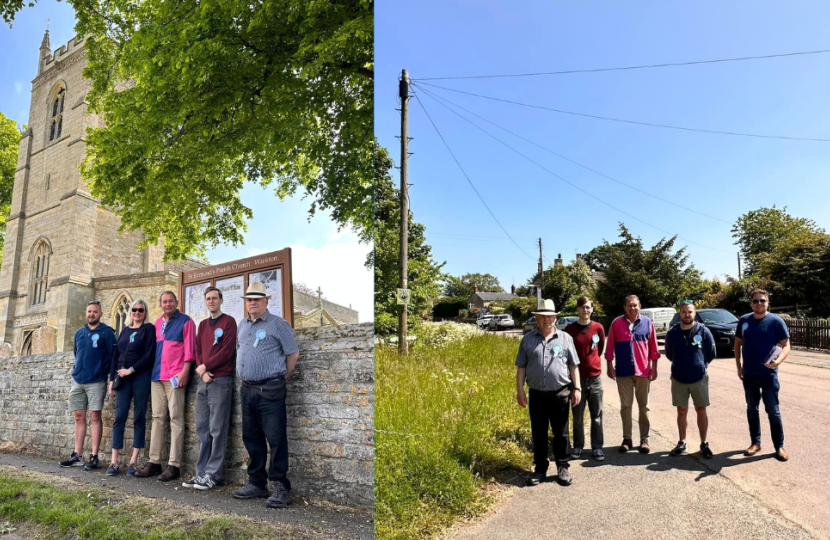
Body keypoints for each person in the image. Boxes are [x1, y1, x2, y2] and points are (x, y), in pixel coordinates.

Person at [232, 282, 299, 508]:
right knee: (251, 437)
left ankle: (280, 485)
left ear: (266, 302)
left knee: (276, 438)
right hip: (247, 389)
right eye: (249, 300)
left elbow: (293, 354)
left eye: (257, 299)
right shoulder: (243, 325)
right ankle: (257, 483)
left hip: (270, 389)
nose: (252, 303)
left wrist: (280, 377)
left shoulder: (278, 324)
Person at [515, 299, 581, 487]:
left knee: (561, 433)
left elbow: (573, 365)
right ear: (536, 318)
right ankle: (540, 468)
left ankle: (562, 466)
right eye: (543, 316)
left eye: (550, 316)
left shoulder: (565, 339)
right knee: (539, 434)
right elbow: (521, 367)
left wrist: (577, 389)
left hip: (560, 393)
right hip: (536, 395)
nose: (547, 319)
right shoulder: (527, 339)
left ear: (555, 317)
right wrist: (520, 390)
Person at [135, 291, 196, 481]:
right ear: (160, 304)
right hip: (156, 376)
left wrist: (185, 371)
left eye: (170, 301)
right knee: (157, 418)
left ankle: (174, 465)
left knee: (176, 418)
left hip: (175, 377)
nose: (167, 304)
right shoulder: (157, 323)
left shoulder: (186, 321)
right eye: (164, 301)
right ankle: (154, 462)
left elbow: (190, 350)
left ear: (176, 303)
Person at [182, 286, 238, 490]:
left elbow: (227, 351)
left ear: (221, 300)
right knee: (202, 429)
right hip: (203, 381)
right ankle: (201, 474)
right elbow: (198, 349)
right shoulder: (203, 325)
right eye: (208, 298)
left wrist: (207, 366)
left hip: (220, 381)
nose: (211, 301)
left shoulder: (229, 322)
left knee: (217, 429)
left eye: (215, 298)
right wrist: (201, 370)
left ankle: (213, 475)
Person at [59, 301, 117, 471]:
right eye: (89, 311)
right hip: (78, 380)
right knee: (78, 416)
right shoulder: (79, 333)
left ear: (100, 314)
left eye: (95, 312)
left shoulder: (107, 333)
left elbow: (113, 357)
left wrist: (109, 377)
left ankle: (94, 456)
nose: (91, 314)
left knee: (95, 417)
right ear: (86, 313)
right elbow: (77, 353)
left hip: (96, 380)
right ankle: (77, 455)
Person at [735, 289, 791, 461]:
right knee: (752, 409)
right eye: (756, 301)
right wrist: (738, 366)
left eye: (762, 300)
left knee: (773, 411)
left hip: (769, 375)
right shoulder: (744, 321)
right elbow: (737, 344)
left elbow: (786, 345)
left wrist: (778, 361)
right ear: (751, 303)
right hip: (749, 374)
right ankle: (755, 443)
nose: (759, 303)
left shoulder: (776, 321)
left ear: (768, 302)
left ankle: (779, 446)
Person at [106, 299, 157, 476]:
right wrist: (112, 379)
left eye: (140, 310)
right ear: (130, 312)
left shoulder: (148, 329)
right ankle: (114, 462)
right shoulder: (125, 331)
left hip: (140, 377)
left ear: (145, 312)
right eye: (134, 309)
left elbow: (150, 354)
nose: (137, 312)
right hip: (122, 379)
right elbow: (116, 355)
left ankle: (133, 462)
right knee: (119, 417)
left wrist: (132, 370)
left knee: (139, 416)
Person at [605, 295, 660, 454]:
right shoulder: (616, 323)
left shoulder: (647, 323)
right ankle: (627, 438)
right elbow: (610, 347)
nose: (632, 308)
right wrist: (609, 365)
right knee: (626, 406)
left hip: (643, 371)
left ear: (640, 306)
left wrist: (654, 367)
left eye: (635, 305)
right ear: (624, 307)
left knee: (644, 407)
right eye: (629, 305)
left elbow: (654, 348)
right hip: (623, 371)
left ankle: (644, 439)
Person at [664, 301, 716, 458]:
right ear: (680, 314)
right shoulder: (672, 333)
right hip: (679, 378)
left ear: (695, 313)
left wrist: (700, 365)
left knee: (701, 409)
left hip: (699, 378)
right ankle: (682, 442)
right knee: (681, 411)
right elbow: (668, 354)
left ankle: (704, 443)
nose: (687, 315)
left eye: (690, 312)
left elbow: (711, 352)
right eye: (684, 312)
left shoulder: (704, 331)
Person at [563, 296, 606, 461]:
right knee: (577, 416)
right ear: (577, 310)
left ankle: (597, 447)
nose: (585, 310)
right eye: (582, 307)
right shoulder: (569, 330)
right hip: (576, 381)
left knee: (597, 415)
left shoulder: (598, 328)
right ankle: (578, 446)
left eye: (588, 307)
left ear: (592, 309)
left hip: (595, 379)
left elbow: (599, 349)